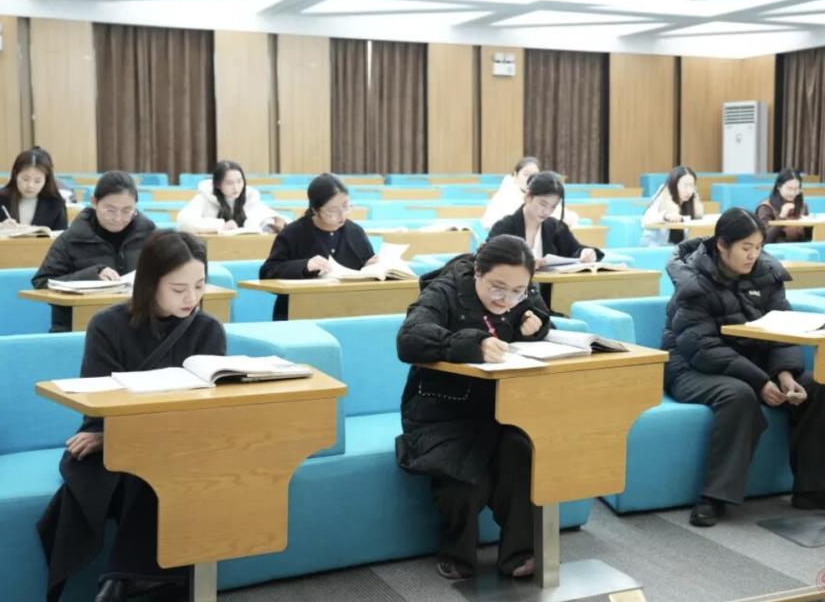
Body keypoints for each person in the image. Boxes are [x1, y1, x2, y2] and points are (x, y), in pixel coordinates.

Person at [37, 230, 226, 602]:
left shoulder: (208, 330)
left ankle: (123, 582)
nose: (191, 298)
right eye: (178, 288)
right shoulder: (107, 325)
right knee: (144, 467)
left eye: (199, 285)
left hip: (182, 442)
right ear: (150, 283)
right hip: (108, 438)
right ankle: (136, 581)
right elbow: (97, 401)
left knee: (167, 465)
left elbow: (207, 410)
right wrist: (111, 436)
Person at [662, 208, 825, 527]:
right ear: (722, 245)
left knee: (820, 387)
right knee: (738, 395)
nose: (753, 255)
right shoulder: (692, 280)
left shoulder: (767, 273)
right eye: (745, 248)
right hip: (692, 367)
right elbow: (701, 348)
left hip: (753, 366)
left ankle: (814, 488)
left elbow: (782, 327)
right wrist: (760, 382)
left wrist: (784, 375)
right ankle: (714, 496)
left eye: (758, 247)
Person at [395, 234, 548, 580]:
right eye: (497, 288)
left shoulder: (521, 291)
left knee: (522, 455)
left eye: (517, 291)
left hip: (503, 409)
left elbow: (538, 315)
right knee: (462, 474)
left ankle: (519, 553)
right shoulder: (444, 290)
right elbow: (409, 338)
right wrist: (470, 343)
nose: (506, 299)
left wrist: (536, 324)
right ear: (478, 271)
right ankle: (456, 554)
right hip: (441, 411)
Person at [32, 171, 156, 332]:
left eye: (127, 211)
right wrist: (92, 275)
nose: (118, 218)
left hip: (137, 326)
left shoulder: (149, 235)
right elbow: (42, 282)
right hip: (77, 327)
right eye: (110, 210)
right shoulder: (72, 237)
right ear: (94, 202)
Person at [259, 172, 376, 320]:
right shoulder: (294, 233)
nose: (342, 215)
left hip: (348, 311)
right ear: (315, 210)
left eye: (346, 206)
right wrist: (304, 266)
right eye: (332, 210)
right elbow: (267, 273)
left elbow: (365, 268)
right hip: (300, 314)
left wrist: (371, 266)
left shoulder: (355, 232)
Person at [487, 171, 602, 267]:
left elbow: (575, 250)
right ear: (528, 196)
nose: (547, 212)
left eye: (553, 207)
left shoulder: (556, 227)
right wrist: (523, 263)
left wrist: (586, 253)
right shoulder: (505, 226)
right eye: (543, 204)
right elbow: (486, 259)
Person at [0, 147, 68, 236]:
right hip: (4, 253)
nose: (30, 185)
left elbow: (63, 240)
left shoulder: (55, 203)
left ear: (46, 180)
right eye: (25, 179)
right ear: (15, 175)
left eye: (37, 181)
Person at [176, 160, 287, 234]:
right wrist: (221, 225)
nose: (236, 187)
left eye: (239, 181)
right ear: (218, 184)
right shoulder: (205, 197)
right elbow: (184, 222)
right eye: (229, 183)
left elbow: (269, 217)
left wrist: (273, 223)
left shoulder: (250, 197)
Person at [481, 157, 579, 229]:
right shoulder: (503, 196)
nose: (530, 178)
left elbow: (566, 218)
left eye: (535, 175)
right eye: (526, 174)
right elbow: (489, 223)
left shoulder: (546, 194)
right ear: (515, 175)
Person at [640, 165, 705, 246]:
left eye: (691, 186)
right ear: (674, 185)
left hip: (677, 248)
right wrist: (665, 216)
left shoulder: (691, 204)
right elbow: (645, 220)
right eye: (685, 186)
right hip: (654, 246)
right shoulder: (663, 198)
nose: (689, 191)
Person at [755, 168, 811, 243]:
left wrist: (811, 225)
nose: (793, 193)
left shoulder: (802, 206)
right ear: (779, 187)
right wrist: (782, 216)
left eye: (796, 189)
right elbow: (765, 239)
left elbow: (808, 236)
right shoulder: (765, 207)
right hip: (777, 248)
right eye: (789, 188)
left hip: (802, 246)